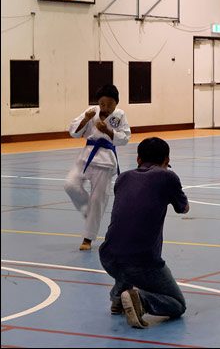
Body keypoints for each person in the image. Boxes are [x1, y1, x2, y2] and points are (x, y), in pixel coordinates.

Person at [99, 137, 189, 328]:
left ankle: (118, 297)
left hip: (108, 257)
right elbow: (183, 208)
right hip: (141, 262)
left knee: (124, 252)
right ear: (166, 160)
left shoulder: (123, 178)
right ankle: (140, 300)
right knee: (178, 305)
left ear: (138, 159)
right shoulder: (167, 177)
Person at [64, 84, 130, 251]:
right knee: (70, 185)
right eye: (102, 104)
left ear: (116, 103)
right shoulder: (91, 111)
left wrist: (108, 131)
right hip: (86, 157)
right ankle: (87, 210)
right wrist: (86, 119)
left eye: (109, 104)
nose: (105, 107)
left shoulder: (119, 115)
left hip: (105, 161)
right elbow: (73, 132)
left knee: (98, 200)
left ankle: (88, 238)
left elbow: (125, 138)